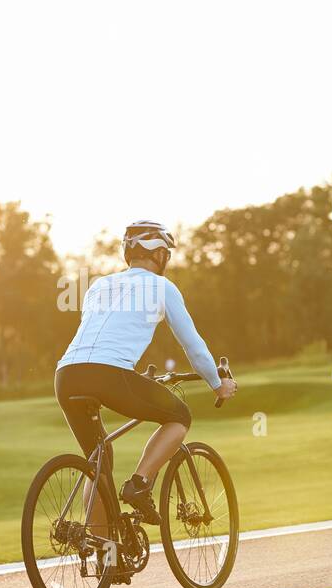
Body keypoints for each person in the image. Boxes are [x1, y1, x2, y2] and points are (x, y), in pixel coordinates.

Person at [55, 220, 237, 528]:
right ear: (159, 254)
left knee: (98, 462)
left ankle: (103, 551)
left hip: (66, 374)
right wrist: (218, 384)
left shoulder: (98, 286)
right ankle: (140, 484)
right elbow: (194, 348)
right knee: (179, 416)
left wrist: (133, 376)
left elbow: (104, 337)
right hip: (108, 375)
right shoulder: (162, 287)